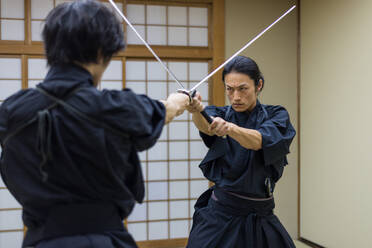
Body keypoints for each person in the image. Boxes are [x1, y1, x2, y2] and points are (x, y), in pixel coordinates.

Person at [0, 1, 190, 247]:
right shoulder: (117, 107)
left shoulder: (11, 111)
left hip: (41, 240)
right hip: (103, 239)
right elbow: (167, 109)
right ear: (102, 52)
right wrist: (182, 99)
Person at [186, 55, 296, 248]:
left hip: (261, 215)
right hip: (221, 214)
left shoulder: (277, 115)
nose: (236, 97)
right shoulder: (220, 114)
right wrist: (196, 110)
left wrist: (230, 128)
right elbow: (206, 125)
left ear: (258, 85)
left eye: (243, 88)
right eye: (230, 89)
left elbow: (259, 140)